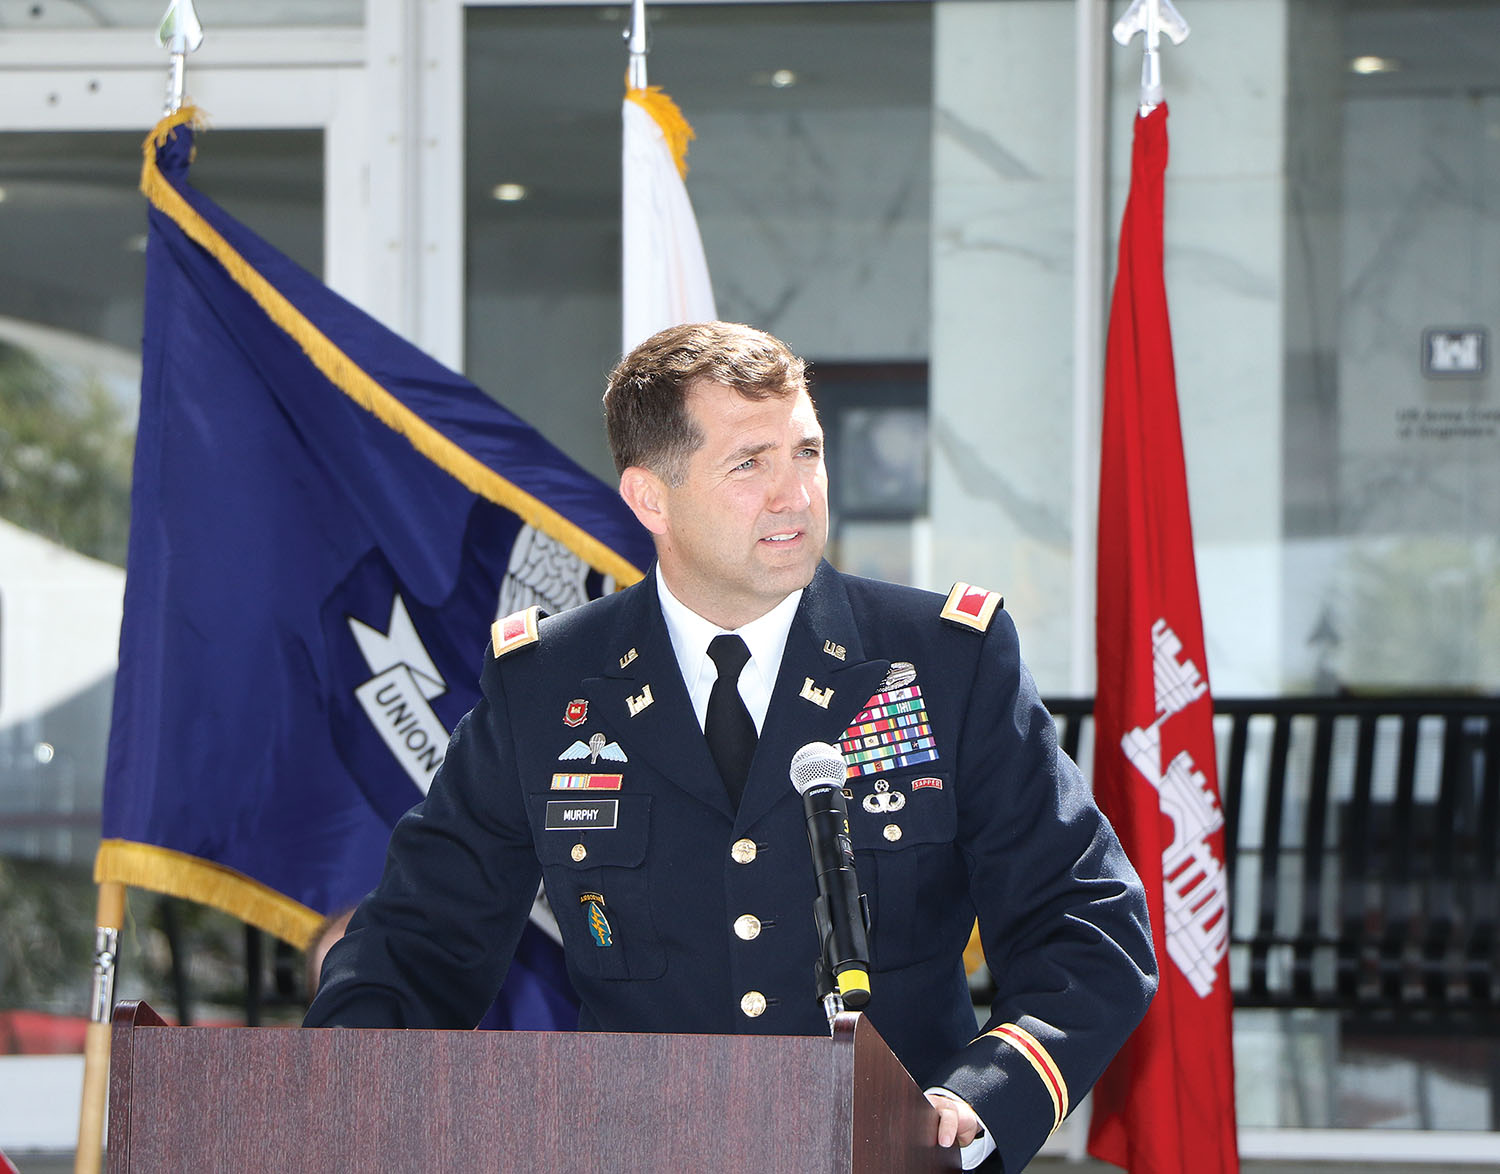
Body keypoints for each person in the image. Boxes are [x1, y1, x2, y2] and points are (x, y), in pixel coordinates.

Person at [306, 321, 1157, 1170]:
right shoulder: (548, 684)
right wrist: (330, 1096)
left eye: (808, 453)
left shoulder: (939, 661)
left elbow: (1086, 921)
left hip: (886, 1155)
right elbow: (420, 938)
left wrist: (981, 1099)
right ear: (650, 499)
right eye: (750, 464)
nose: (795, 494)